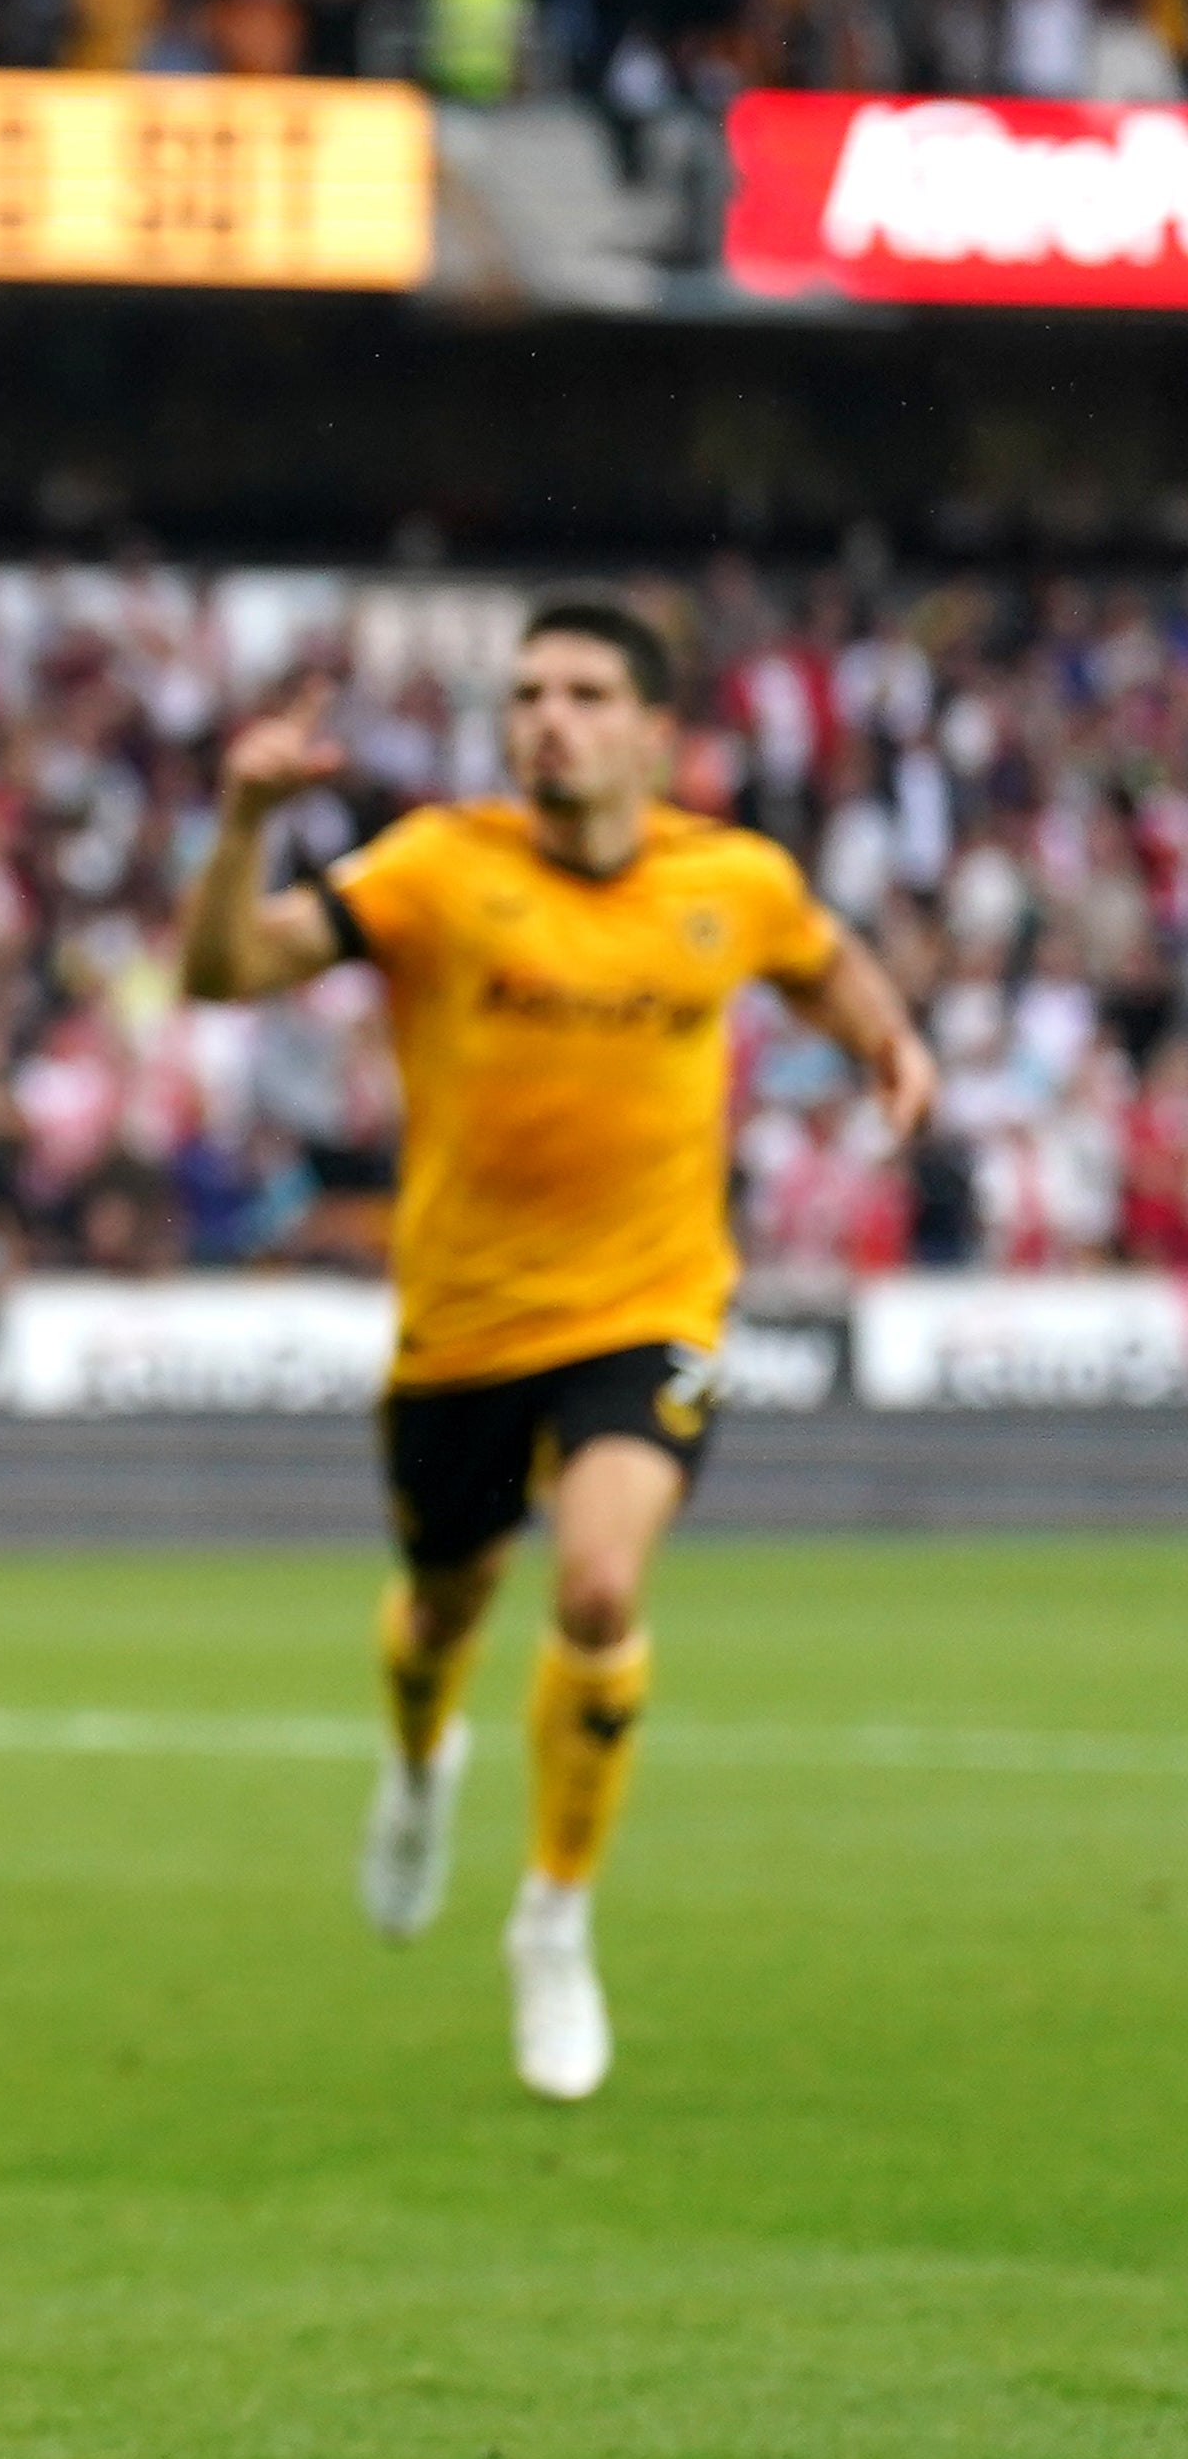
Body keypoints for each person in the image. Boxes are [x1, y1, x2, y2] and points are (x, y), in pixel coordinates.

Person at [182, 597, 929, 2099]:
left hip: (648, 1307)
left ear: (657, 730)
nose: (550, 719)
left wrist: (889, 1039)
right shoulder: (439, 869)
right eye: (529, 693)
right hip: (460, 1324)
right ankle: (415, 1769)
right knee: (444, 1610)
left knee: (596, 1584)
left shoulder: (735, 878)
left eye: (587, 692)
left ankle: (554, 1915)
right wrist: (243, 822)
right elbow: (225, 974)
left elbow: (818, 957)